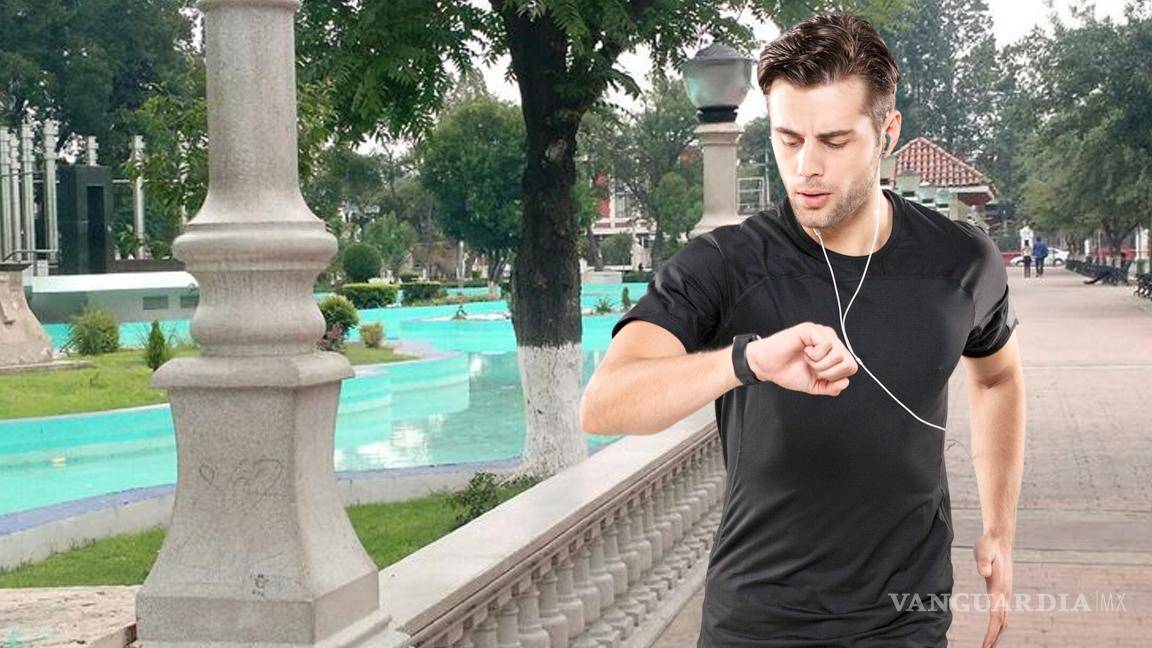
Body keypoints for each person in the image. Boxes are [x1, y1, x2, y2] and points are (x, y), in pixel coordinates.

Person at [580, 12, 1025, 648]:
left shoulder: (962, 261)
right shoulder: (724, 264)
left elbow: (998, 377)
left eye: (834, 141)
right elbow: (604, 403)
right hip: (756, 623)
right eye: (788, 140)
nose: (806, 167)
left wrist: (1000, 529)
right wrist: (746, 361)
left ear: (888, 132)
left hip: (908, 618)